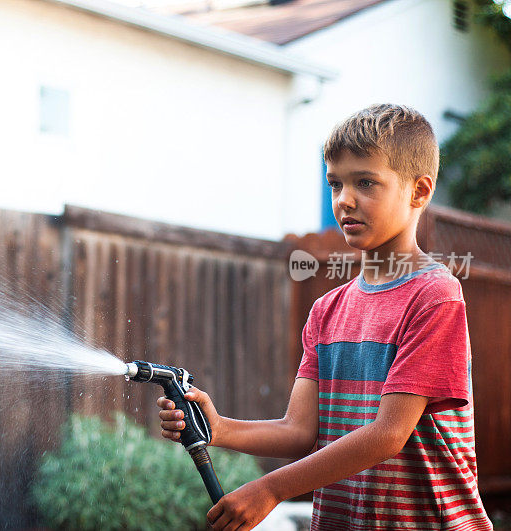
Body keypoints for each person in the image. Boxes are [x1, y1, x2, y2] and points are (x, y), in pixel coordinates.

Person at [158, 104, 492, 530]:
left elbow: (389, 434)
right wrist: (219, 428)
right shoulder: (327, 310)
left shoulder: (435, 296)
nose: (344, 199)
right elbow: (300, 430)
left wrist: (271, 488)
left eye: (366, 182)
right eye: (335, 183)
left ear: (419, 192)